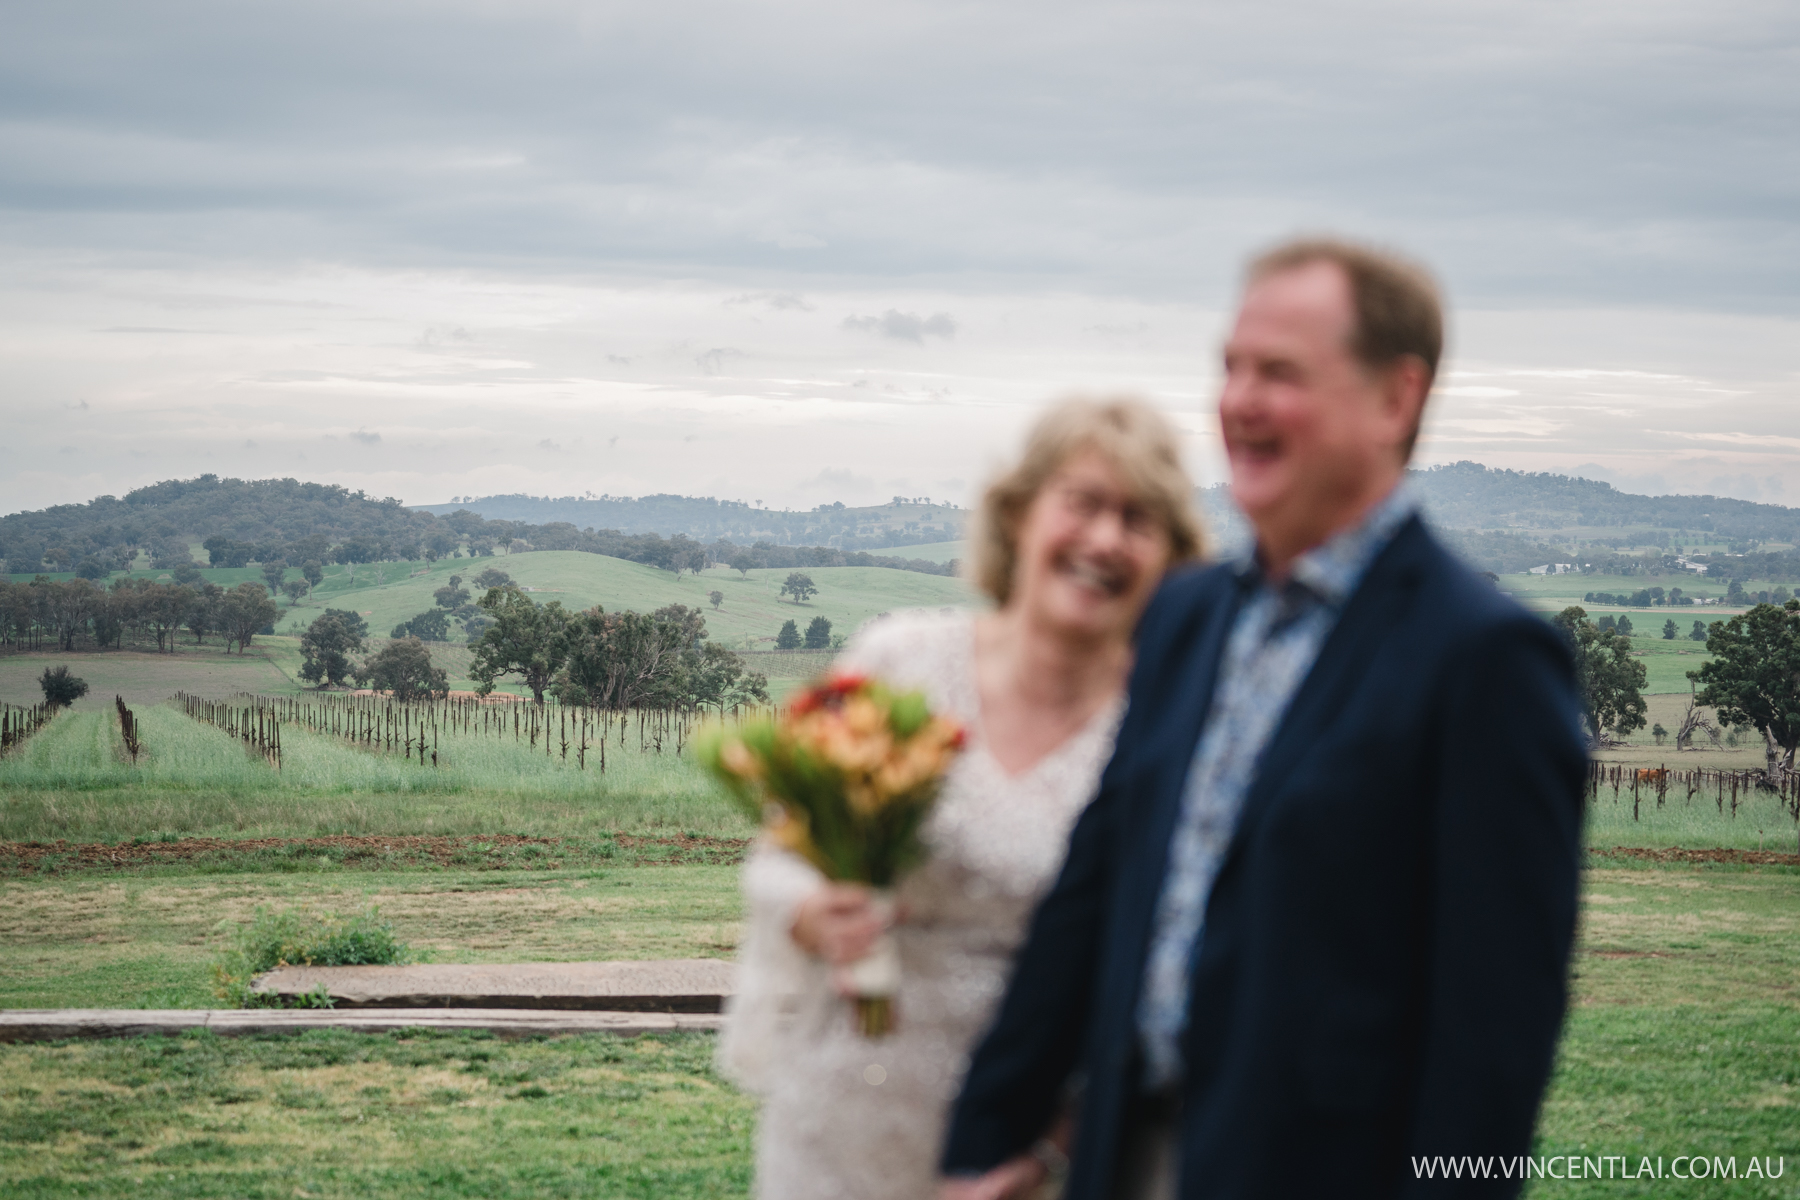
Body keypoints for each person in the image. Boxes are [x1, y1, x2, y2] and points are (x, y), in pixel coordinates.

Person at [940, 240, 1588, 1200]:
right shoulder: (1186, 614)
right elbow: (1096, 889)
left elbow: (1491, 1042)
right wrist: (985, 1138)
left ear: (1394, 401)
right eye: (1231, 367)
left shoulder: (1486, 661)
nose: (1239, 401)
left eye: (1280, 373)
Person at [720, 397, 1203, 1200]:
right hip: (843, 1123)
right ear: (1019, 516)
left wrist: (1048, 1150)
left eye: (1139, 519)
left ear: (1170, 558)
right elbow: (779, 860)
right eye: (1082, 503)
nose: (1105, 539)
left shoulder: (1169, 727)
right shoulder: (898, 660)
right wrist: (811, 911)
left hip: (1033, 1152)